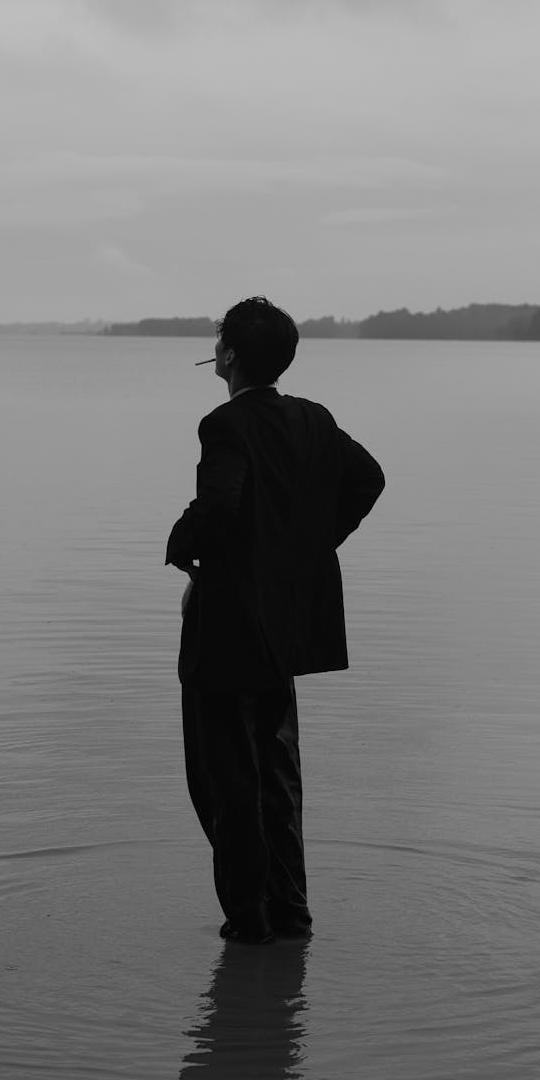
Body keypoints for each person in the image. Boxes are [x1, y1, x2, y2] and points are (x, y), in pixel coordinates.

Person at [166, 296, 385, 944]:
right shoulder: (314, 418)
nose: (215, 345)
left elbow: (218, 507)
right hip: (286, 626)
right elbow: (368, 479)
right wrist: (306, 552)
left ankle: (248, 924)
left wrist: (182, 547)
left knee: (225, 778)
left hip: (228, 625)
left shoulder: (225, 424)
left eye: (218, 339)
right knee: (278, 771)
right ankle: (290, 915)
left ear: (228, 355)